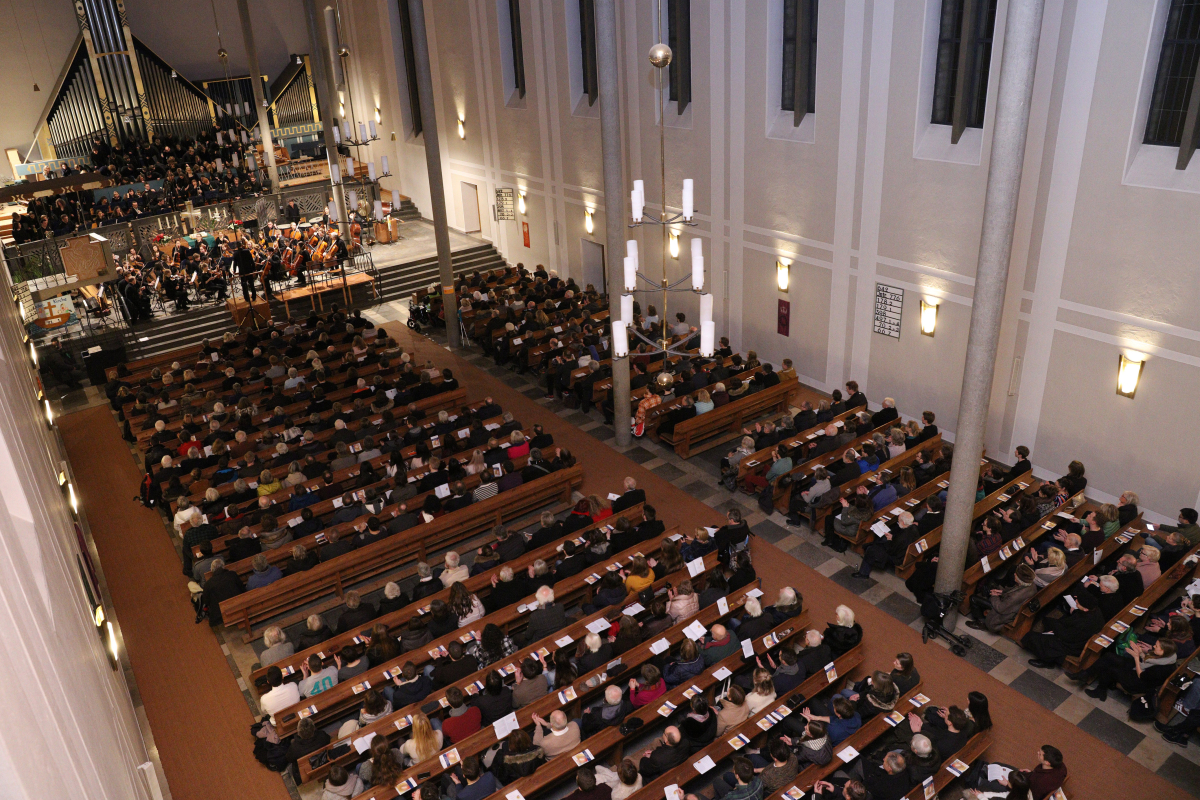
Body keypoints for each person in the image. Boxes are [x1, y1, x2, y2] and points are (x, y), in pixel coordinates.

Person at [967, 563, 1037, 633]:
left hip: (1002, 614)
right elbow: (1014, 591)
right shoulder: (1031, 585)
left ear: (1020, 579)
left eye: (1016, 574)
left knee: (973, 598)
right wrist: (1001, 592)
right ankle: (984, 605)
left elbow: (1000, 608)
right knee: (989, 587)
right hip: (1011, 607)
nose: (1015, 574)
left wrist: (994, 596)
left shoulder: (1015, 596)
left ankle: (981, 623)